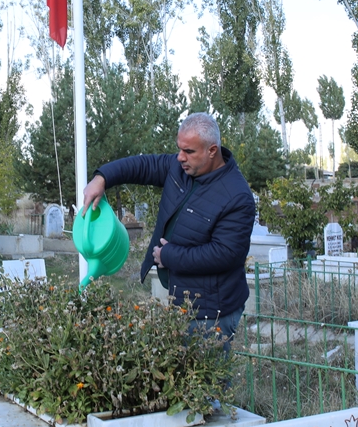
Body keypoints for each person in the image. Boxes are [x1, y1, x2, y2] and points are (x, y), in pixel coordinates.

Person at [81, 112, 255, 346]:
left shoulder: (236, 196)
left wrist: (169, 256)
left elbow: (226, 254)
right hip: (182, 297)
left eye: (189, 151)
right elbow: (142, 165)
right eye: (179, 149)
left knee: (206, 380)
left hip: (211, 310)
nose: (180, 157)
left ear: (212, 151)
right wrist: (101, 178)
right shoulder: (181, 169)